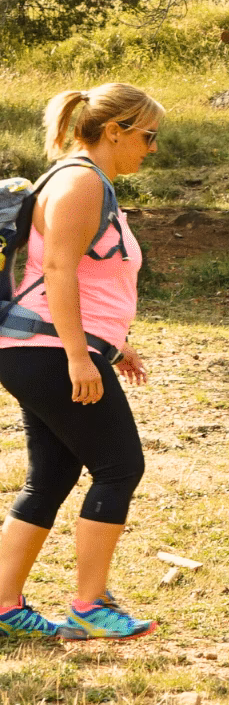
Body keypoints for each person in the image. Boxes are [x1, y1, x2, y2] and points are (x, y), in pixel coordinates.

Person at [0, 84, 161, 639]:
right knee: (120, 467)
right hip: (49, 349)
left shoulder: (85, 181)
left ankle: (4, 607)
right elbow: (59, 270)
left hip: (44, 348)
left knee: (52, 474)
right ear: (114, 131)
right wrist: (78, 356)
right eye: (148, 136)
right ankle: (90, 606)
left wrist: (111, 346)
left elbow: (88, 280)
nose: (153, 148)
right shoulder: (80, 181)